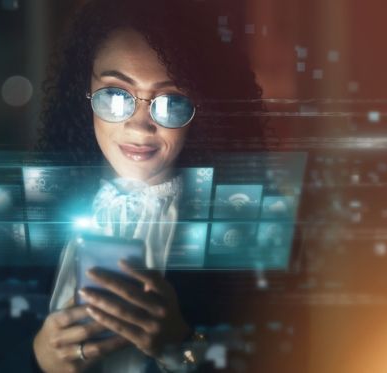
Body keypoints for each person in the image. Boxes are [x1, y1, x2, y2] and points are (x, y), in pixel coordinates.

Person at [33, 0, 265, 372]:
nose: (140, 127)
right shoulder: (28, 211)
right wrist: (36, 359)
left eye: (170, 101)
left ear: (203, 108)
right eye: (114, 94)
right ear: (84, 92)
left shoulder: (249, 228)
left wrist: (182, 346)